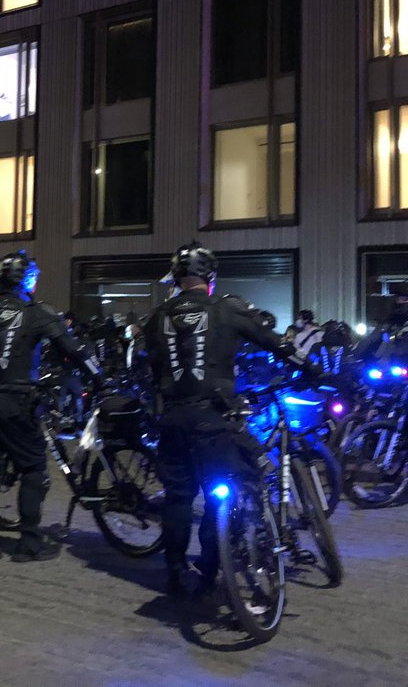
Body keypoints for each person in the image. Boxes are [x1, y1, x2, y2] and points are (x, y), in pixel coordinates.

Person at [142, 242, 314, 596]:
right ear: (211, 277)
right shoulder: (227, 309)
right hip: (214, 418)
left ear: (176, 278)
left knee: (178, 497)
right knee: (219, 495)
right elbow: (275, 343)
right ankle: (209, 565)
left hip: (172, 417)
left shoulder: (157, 317)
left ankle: (175, 570)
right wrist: (313, 370)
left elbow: (151, 368)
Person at [0, 251, 102, 567]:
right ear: (30, 280)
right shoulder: (38, 312)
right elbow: (72, 350)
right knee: (33, 470)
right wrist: (99, 377)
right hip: (16, 402)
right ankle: (29, 542)